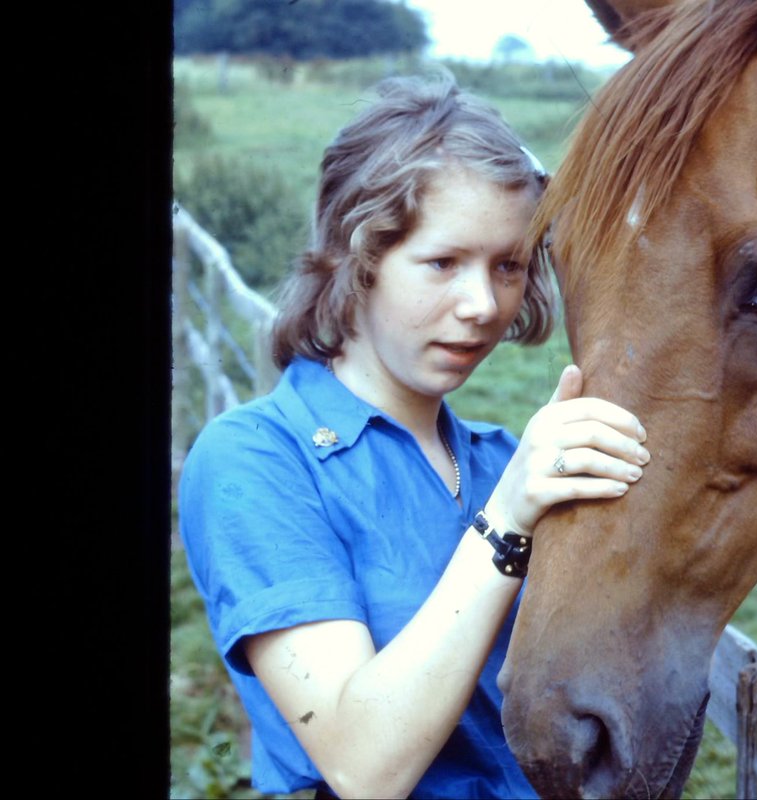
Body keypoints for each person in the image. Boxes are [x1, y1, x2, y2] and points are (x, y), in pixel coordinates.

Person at [178, 74, 650, 799]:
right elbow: (363, 768)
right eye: (442, 263)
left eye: (508, 266)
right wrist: (506, 523)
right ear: (355, 257)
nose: (482, 305)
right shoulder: (256, 460)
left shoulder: (502, 460)